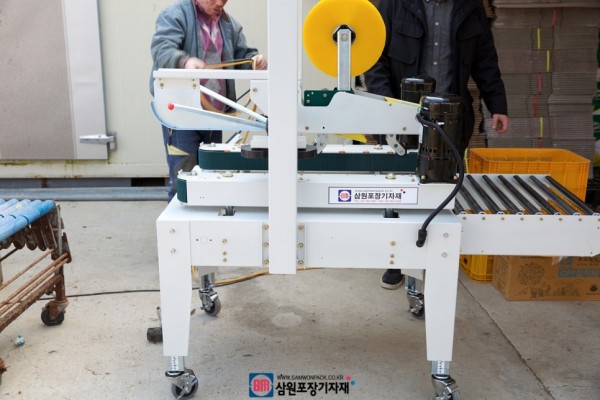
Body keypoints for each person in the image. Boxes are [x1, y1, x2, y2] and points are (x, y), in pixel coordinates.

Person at [365, 0, 509, 289]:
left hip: (450, 117)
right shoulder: (394, 5)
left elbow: (485, 59)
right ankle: (395, 259)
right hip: (402, 114)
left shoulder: (470, 8)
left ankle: (431, 258)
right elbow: (374, 60)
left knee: (439, 190)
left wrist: (498, 105)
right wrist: (388, 108)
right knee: (398, 190)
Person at [150, 0, 267, 201]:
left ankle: (207, 218)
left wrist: (255, 61)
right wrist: (184, 61)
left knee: (212, 174)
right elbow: (162, 50)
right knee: (184, 179)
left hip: (213, 115)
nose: (220, 3)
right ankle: (180, 217)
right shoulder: (174, 15)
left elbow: (243, 55)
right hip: (181, 114)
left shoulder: (229, 25)